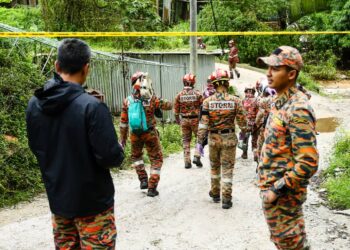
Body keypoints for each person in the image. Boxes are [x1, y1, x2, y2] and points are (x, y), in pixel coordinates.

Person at [26, 38, 124, 249]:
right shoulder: (92, 107)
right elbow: (110, 157)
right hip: (94, 207)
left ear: (57, 66)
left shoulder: (35, 104)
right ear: (86, 67)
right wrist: (119, 151)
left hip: (59, 203)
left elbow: (36, 147)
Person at [257, 46, 319, 249]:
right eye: (268, 68)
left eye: (275, 69)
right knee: (289, 243)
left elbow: (308, 162)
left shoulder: (298, 108)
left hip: (284, 197)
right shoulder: (279, 102)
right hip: (276, 196)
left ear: (291, 74)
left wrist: (276, 189)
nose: (268, 73)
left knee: (290, 244)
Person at [196, 68, 246, 209]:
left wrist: (200, 143)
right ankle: (226, 198)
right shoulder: (236, 101)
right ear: (227, 83)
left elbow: (203, 124)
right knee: (227, 169)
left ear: (214, 84)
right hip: (229, 138)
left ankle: (216, 194)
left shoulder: (207, 102)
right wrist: (245, 131)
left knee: (214, 167)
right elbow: (243, 122)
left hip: (213, 139)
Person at [120, 71, 172, 197]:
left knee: (136, 157)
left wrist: (122, 140)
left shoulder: (127, 101)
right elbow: (169, 106)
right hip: (150, 133)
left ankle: (143, 179)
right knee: (156, 159)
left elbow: (123, 123)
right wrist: (154, 95)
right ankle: (152, 187)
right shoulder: (151, 98)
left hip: (134, 134)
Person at [174, 73, 203, 168]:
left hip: (184, 120)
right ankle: (197, 155)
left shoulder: (179, 95)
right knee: (200, 138)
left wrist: (178, 121)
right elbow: (203, 108)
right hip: (195, 120)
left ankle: (187, 161)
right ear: (193, 82)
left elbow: (176, 112)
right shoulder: (198, 94)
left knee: (186, 140)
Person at [238, 84, 259, 160]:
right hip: (255, 123)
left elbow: (240, 113)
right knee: (255, 140)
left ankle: (244, 154)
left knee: (245, 139)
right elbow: (259, 112)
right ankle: (255, 152)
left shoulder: (243, 100)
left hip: (246, 123)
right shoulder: (257, 100)